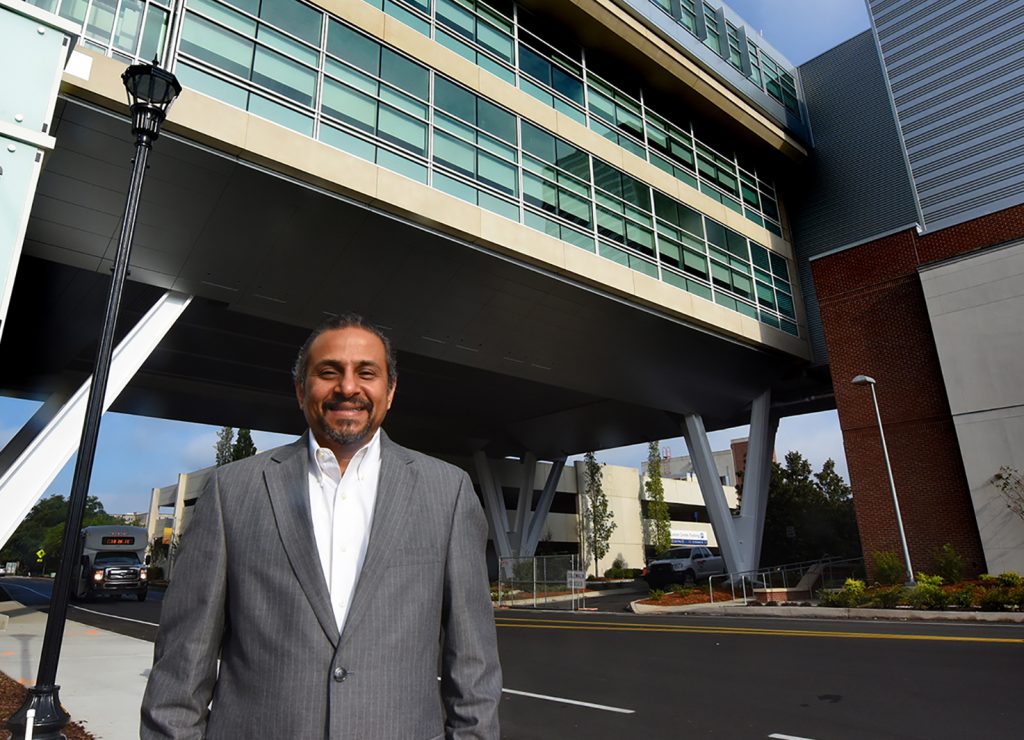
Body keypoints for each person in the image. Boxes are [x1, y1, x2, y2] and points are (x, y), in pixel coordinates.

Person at [141, 314, 501, 739]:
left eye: (366, 373)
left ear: (391, 390)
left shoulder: (449, 492)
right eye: (328, 372)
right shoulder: (232, 492)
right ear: (299, 390)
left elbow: (473, 664)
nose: (348, 387)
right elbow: (182, 665)